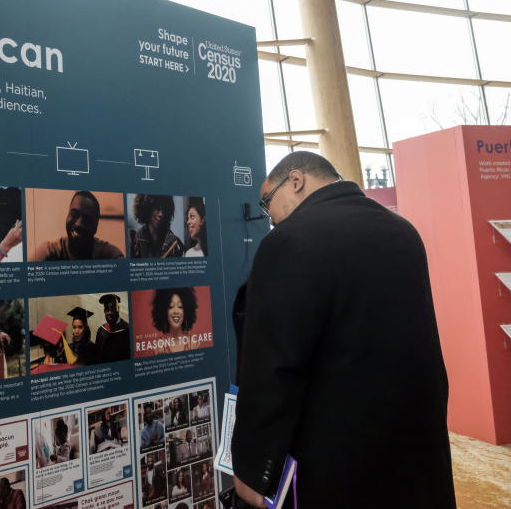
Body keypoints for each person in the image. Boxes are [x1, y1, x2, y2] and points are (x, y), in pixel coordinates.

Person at [231, 152, 454, 508]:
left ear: (296, 180)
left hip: (340, 461)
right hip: (416, 447)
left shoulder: (289, 241)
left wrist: (253, 469)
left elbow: (273, 369)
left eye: (266, 201)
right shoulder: (404, 232)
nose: (268, 217)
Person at [30, 190, 124, 261]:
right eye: (75, 214)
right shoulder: (49, 252)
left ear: (96, 227)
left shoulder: (111, 256)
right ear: (67, 215)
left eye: (87, 219)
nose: (79, 224)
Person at [150, 287, 199, 355]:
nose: (176, 311)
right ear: (164, 312)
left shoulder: (193, 343)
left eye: (180, 307)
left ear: (186, 311)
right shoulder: (159, 346)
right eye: (171, 306)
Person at [94, 294, 130, 363]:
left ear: (117, 310)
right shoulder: (101, 331)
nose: (109, 313)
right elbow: (97, 356)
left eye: (112, 309)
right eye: (107, 310)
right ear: (104, 312)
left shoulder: (126, 331)